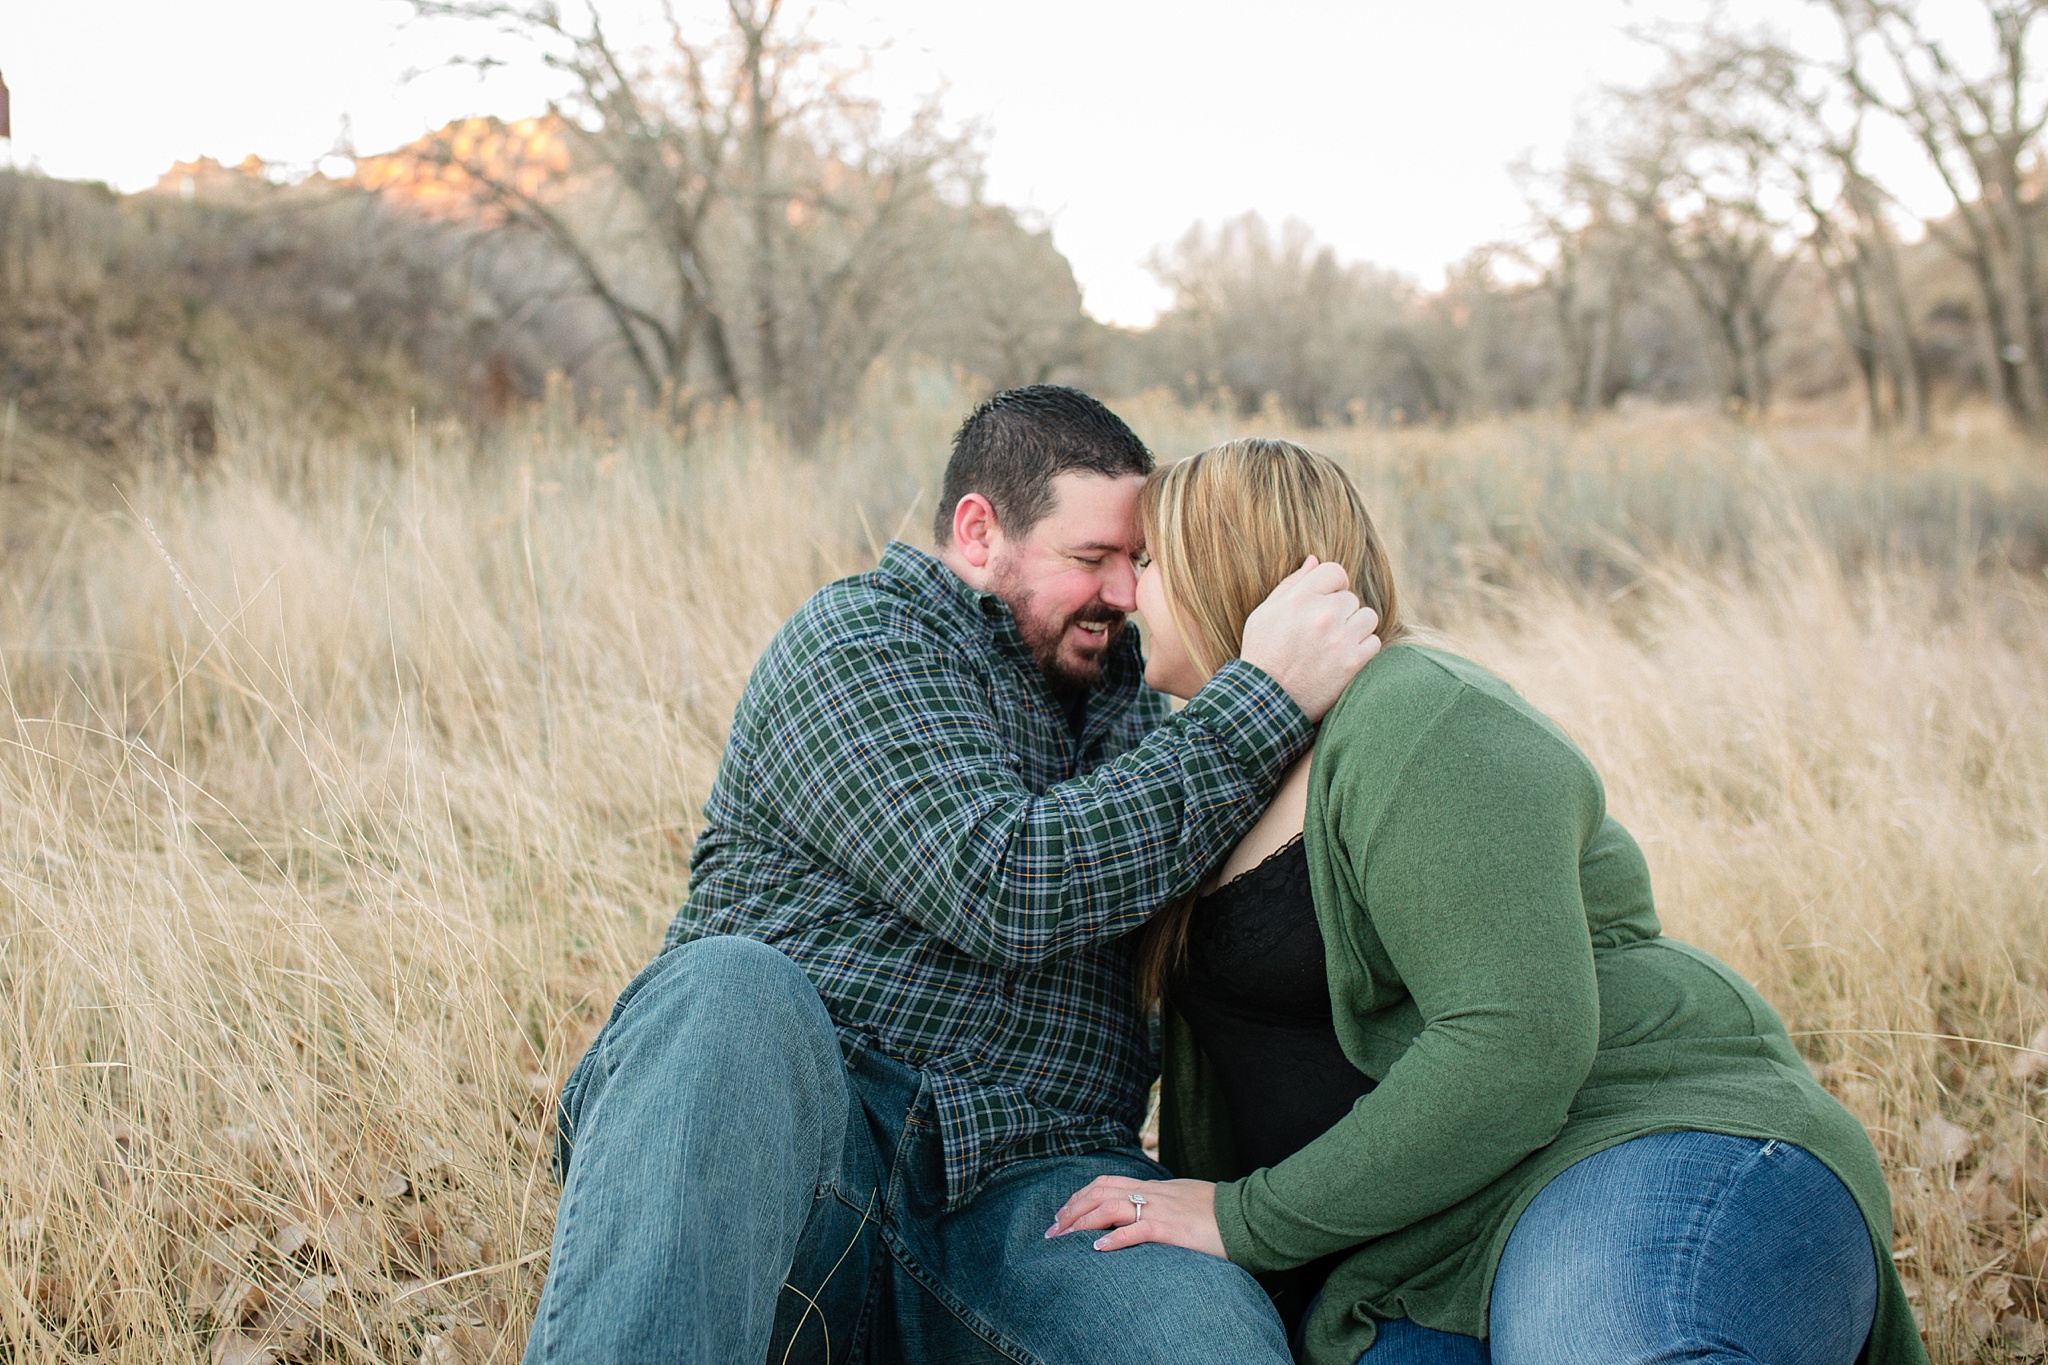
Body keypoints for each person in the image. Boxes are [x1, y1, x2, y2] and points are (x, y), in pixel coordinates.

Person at [520, 389, 1382, 1364]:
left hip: (1042, 1191)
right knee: (724, 988)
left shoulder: (1144, 711)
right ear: (978, 533)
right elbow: (1003, 883)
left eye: (1137, 562)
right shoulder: (859, 642)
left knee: (1205, 1336)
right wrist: (1263, 695)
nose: (1122, 592)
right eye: (1089, 558)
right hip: (807, 1154)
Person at [1048, 438, 1925, 1365]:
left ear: (1228, 563)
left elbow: (1516, 1041)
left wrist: (1246, 1216)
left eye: (1146, 561)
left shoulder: (1417, 710)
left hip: (1622, 1146)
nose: (1121, 592)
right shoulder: (1220, 762)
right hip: (1406, 1255)